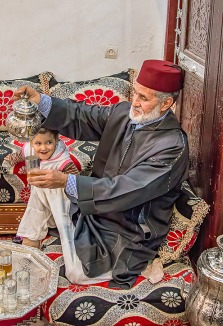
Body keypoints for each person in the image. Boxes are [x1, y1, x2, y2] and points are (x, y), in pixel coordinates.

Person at [13, 60, 189, 289]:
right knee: (45, 179)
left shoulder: (172, 145)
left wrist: (68, 182)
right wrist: (41, 101)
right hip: (99, 208)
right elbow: (83, 115)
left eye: (143, 98)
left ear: (166, 103)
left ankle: (134, 262)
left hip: (127, 229)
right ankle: (29, 251)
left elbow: (129, 188)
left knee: (77, 274)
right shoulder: (124, 113)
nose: (134, 103)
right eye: (135, 93)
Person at [4, 128, 79, 248]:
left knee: (39, 194)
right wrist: (13, 158)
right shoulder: (30, 149)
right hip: (41, 192)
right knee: (38, 196)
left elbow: (75, 179)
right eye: (38, 143)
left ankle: (29, 236)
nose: (43, 148)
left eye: (48, 142)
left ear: (56, 141)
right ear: (31, 143)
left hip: (58, 198)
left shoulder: (62, 159)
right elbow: (22, 153)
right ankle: (30, 235)